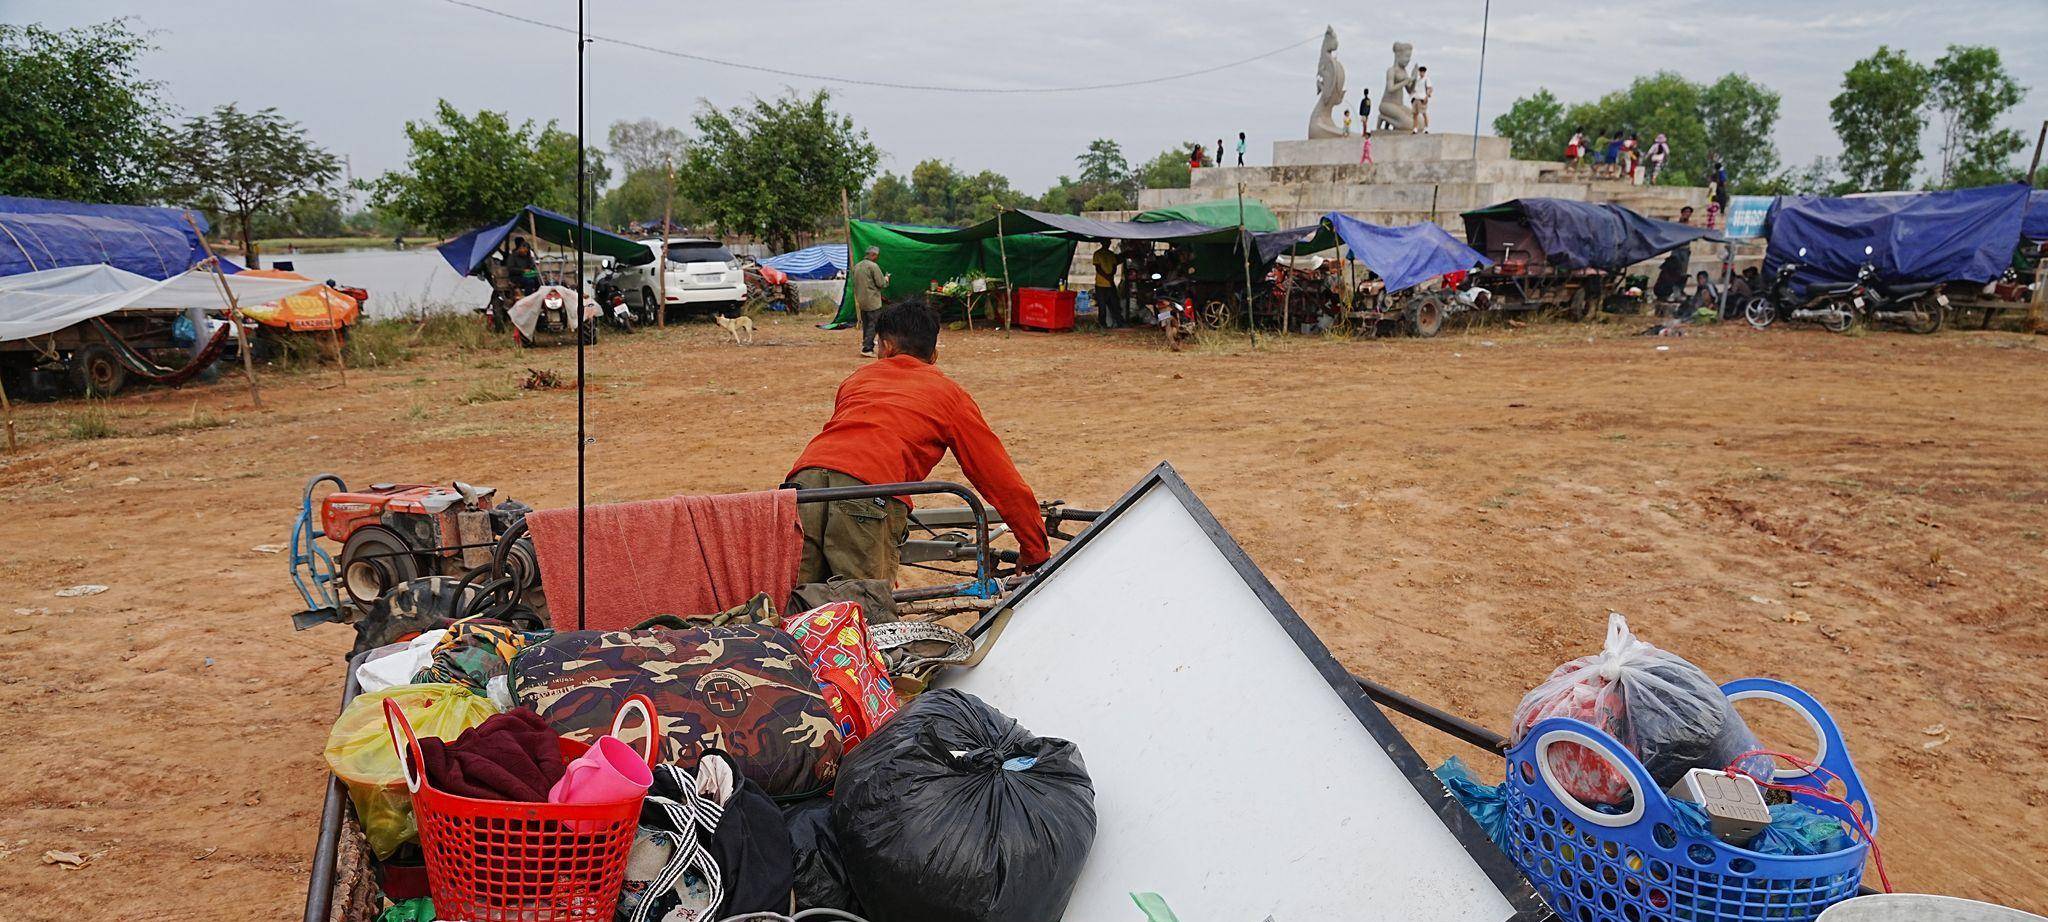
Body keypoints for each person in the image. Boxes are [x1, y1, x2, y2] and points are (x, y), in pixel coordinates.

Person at [785, 298, 1050, 583]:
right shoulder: (948, 395)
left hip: (802, 485)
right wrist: (1035, 548)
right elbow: (997, 477)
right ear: (933, 354)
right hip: (868, 490)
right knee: (866, 607)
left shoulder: (856, 379)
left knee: (796, 604)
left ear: (885, 347)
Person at [851, 245, 890, 356]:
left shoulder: (857, 266)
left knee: (867, 324)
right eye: (876, 256)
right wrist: (886, 279)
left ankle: (867, 344)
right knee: (874, 325)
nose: (877, 258)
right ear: (873, 255)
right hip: (872, 301)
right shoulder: (873, 266)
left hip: (862, 300)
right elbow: (881, 283)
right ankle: (867, 348)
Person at [1093, 242, 1123, 329]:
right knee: (1102, 306)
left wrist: (1109, 277)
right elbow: (1098, 268)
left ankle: (1118, 322)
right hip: (1101, 284)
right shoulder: (1098, 253)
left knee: (1114, 304)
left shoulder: (1111, 254)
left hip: (1108, 283)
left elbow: (1114, 267)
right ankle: (1102, 324)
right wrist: (1108, 277)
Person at [1410, 66, 1433, 133]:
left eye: (1423, 72)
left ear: (1424, 72)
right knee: (1415, 114)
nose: (1421, 73)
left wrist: (1427, 96)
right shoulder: (1418, 80)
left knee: (1424, 113)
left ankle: (1426, 128)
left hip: (1422, 98)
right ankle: (1415, 128)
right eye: (1420, 72)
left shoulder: (1426, 79)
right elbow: (1414, 89)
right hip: (1415, 98)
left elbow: (1430, 88)